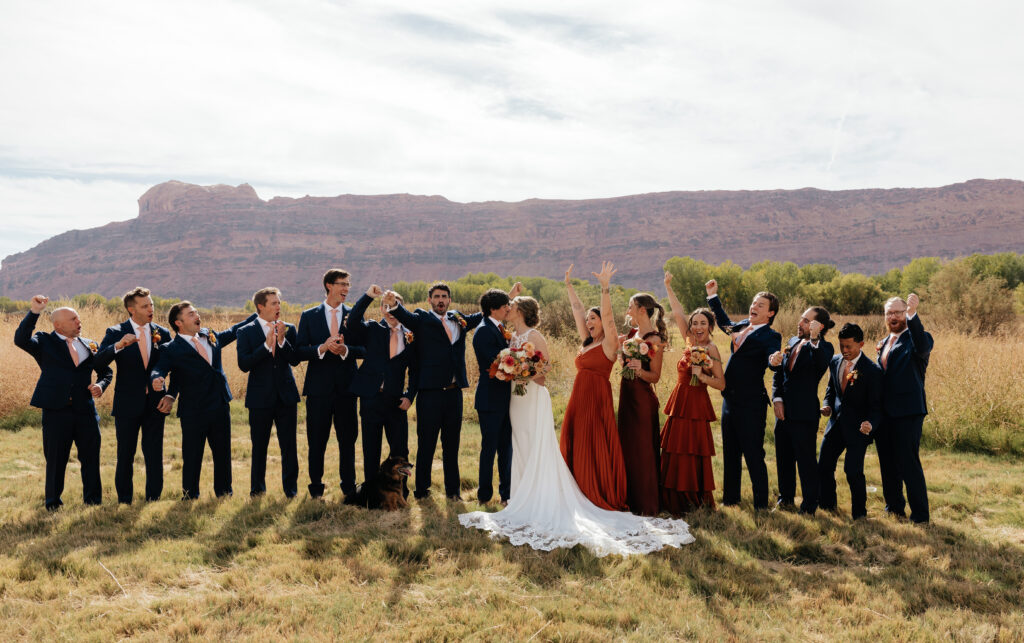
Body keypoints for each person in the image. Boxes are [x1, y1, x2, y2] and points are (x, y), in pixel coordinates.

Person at [458, 294, 695, 557]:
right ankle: (521, 495)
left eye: (512, 306)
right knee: (521, 444)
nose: (508, 308)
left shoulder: (548, 337)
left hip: (536, 397)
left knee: (538, 445)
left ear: (521, 311)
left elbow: (544, 367)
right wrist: (512, 370)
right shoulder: (512, 337)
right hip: (517, 398)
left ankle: (542, 497)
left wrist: (524, 373)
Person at [389, 281, 520, 500]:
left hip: (454, 392)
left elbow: (486, 313)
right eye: (437, 297)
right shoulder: (421, 319)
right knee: (427, 444)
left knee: (452, 445)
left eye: (444, 297)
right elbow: (404, 317)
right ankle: (422, 491)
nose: (441, 300)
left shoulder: (458, 319)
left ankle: (453, 492)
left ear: (449, 300)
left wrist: (507, 297)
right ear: (430, 300)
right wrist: (392, 303)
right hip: (429, 393)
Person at [14, 296, 112, 510]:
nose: (79, 321)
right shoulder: (44, 341)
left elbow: (106, 371)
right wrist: (34, 312)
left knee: (91, 458)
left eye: (78, 318)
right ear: (58, 324)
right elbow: (21, 340)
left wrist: (101, 385)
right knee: (56, 460)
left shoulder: (90, 344)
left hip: (85, 411)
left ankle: (93, 502)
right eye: (73, 318)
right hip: (56, 411)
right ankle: (53, 504)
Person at [150, 302, 253, 499]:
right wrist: (156, 379)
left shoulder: (210, 336)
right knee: (192, 455)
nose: (197, 315)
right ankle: (190, 495)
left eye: (196, 312)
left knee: (223, 453)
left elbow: (233, 331)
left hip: (219, 404)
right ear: (178, 322)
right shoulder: (171, 348)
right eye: (191, 314)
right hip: (193, 409)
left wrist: (258, 315)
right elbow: (159, 368)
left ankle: (224, 494)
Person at [705, 279, 782, 510]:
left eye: (760, 305)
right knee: (730, 451)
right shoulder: (741, 326)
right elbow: (725, 323)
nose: (754, 307)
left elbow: (772, 357)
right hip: (730, 399)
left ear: (770, 313)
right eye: (753, 303)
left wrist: (774, 360)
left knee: (753, 453)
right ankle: (731, 499)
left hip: (751, 402)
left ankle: (761, 505)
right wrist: (712, 297)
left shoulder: (771, 336)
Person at [94, 287, 173, 503]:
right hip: (127, 403)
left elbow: (173, 365)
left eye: (152, 305)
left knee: (154, 453)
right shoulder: (115, 332)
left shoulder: (163, 333)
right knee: (125, 454)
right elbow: (98, 362)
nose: (151, 309)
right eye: (145, 306)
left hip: (156, 403)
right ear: (131, 309)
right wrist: (118, 346)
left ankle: (153, 498)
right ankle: (125, 500)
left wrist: (169, 393)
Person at [560, 262, 628, 511]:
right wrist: (568, 285)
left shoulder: (609, 344)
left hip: (596, 399)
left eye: (593, 318)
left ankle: (594, 489)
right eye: (588, 319)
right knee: (576, 442)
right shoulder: (586, 341)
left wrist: (605, 289)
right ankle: (576, 488)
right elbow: (577, 309)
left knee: (593, 443)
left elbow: (610, 318)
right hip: (579, 399)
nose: (588, 321)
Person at [294, 269, 366, 499]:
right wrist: (322, 348)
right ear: (328, 285)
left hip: (347, 389)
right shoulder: (309, 315)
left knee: (348, 439)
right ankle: (316, 488)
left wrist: (346, 350)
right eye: (342, 284)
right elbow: (298, 352)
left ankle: (349, 487)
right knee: (317, 440)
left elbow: (364, 348)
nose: (346, 289)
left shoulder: (354, 315)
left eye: (348, 284)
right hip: (318, 391)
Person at [660, 272, 725, 515]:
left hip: (697, 405)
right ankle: (671, 498)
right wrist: (668, 286)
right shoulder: (689, 341)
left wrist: (703, 375)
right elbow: (677, 313)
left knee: (692, 451)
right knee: (674, 450)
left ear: (710, 326)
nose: (697, 327)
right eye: (695, 323)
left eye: (702, 323)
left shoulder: (711, 348)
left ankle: (693, 499)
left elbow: (721, 384)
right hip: (679, 402)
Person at [768, 306, 835, 515]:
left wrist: (814, 338)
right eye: (801, 319)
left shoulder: (825, 347)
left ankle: (808, 506)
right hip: (783, 413)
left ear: (818, 326)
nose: (800, 323)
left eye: (806, 321)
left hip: (804, 414)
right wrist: (777, 398)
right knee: (783, 458)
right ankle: (785, 499)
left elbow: (820, 364)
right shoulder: (791, 342)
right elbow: (779, 374)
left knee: (806, 462)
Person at [236, 287, 301, 498]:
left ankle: (291, 490)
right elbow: (244, 364)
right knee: (259, 447)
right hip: (259, 399)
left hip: (286, 397)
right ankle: (257, 490)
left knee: (289, 446)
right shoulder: (245, 331)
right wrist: (266, 345)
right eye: (274, 303)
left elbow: (295, 359)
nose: (278, 307)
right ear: (261, 307)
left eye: (279, 302)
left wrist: (282, 341)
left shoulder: (289, 328)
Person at [349, 286, 418, 485]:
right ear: (381, 310)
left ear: (401, 309)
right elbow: (353, 321)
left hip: (396, 400)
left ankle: (401, 489)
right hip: (371, 398)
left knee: (400, 449)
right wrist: (368, 296)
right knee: (371, 448)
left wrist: (409, 395)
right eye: (385, 307)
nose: (389, 311)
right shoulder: (372, 329)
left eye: (394, 307)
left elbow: (415, 370)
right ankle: (372, 490)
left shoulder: (411, 336)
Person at [875, 294, 933, 524]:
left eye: (898, 312)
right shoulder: (883, 342)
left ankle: (920, 516)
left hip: (908, 412)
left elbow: (921, 345)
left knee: (908, 463)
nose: (893, 317)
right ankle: (894, 508)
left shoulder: (919, 338)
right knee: (887, 463)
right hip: (884, 413)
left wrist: (912, 315)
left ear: (905, 313)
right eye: (889, 313)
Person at [818, 323, 882, 519]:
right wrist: (827, 404)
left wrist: (870, 423)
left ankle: (859, 514)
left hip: (858, 429)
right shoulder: (835, 361)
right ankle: (828, 506)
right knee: (824, 465)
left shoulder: (872, 371)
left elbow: (877, 406)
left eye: (849, 346)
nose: (844, 350)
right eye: (842, 346)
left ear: (861, 344)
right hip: (835, 424)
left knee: (853, 471)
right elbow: (831, 389)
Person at [616, 292, 667, 516]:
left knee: (643, 450)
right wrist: (622, 355)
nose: (628, 312)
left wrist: (640, 369)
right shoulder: (631, 334)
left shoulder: (655, 340)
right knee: (627, 447)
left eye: (630, 307)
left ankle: (645, 503)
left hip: (642, 400)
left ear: (642, 310)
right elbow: (622, 362)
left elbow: (655, 376)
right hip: (626, 396)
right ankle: (628, 498)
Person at [471, 288, 515, 504]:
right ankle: (484, 495)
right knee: (489, 449)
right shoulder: (483, 331)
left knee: (506, 448)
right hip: (490, 399)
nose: (509, 308)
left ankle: (506, 494)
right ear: (492, 309)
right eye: (505, 305)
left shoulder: (498, 327)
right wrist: (520, 367)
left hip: (505, 399)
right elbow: (493, 366)